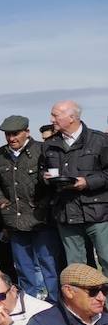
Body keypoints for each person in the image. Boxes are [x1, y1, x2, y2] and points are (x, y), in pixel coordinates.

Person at [42, 99, 108, 268]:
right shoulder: (49, 144)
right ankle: (84, 295)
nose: (51, 120)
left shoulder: (99, 140)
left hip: (98, 213)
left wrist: (87, 182)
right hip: (66, 213)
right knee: (76, 267)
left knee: (106, 259)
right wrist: (45, 177)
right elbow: (41, 171)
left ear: (71, 117)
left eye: (55, 115)